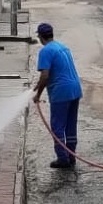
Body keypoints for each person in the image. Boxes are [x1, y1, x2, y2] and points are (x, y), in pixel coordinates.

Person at [33, 22, 83, 170]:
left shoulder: (45, 51)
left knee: (57, 127)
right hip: (75, 89)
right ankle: (71, 156)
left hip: (61, 92)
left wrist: (38, 95)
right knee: (70, 125)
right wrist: (39, 84)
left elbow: (45, 75)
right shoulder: (62, 47)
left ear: (40, 37)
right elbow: (58, 71)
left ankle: (63, 158)